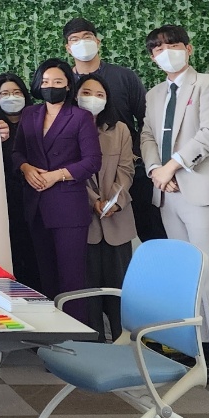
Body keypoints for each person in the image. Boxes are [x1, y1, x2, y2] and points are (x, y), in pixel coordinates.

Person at [141, 25, 209, 384]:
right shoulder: (154, 94)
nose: (166, 52)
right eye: (158, 49)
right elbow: (147, 136)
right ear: (152, 57)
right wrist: (156, 170)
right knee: (184, 274)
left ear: (188, 48)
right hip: (167, 191)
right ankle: (195, 346)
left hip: (201, 189)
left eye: (172, 45)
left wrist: (171, 167)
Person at [9, 58, 101, 321]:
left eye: (58, 82)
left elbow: (92, 161)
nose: (51, 86)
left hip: (68, 208)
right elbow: (17, 152)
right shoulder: (30, 114)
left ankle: (77, 336)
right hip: (36, 206)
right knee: (45, 276)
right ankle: (52, 334)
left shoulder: (80, 117)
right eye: (46, 81)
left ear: (68, 85)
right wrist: (26, 168)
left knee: (71, 278)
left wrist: (57, 176)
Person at [63, 17, 162, 242]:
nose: (82, 42)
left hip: (129, 168)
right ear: (68, 48)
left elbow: (147, 120)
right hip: (84, 175)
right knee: (91, 240)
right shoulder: (65, 83)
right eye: (75, 39)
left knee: (152, 233)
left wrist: (137, 155)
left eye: (87, 37)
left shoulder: (124, 77)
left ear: (97, 41)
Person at [75, 73, 136, 340]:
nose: (93, 99)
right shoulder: (67, 128)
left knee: (119, 288)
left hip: (116, 221)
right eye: (87, 93)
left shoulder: (120, 130)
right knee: (88, 290)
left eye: (100, 95)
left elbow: (126, 169)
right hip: (84, 221)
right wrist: (93, 201)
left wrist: (115, 202)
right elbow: (71, 173)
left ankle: (122, 342)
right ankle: (95, 342)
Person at [0, 71, 40, 290]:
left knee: (36, 257)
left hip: (36, 197)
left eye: (16, 92)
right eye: (4, 93)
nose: (11, 97)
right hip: (3, 202)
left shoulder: (38, 122)